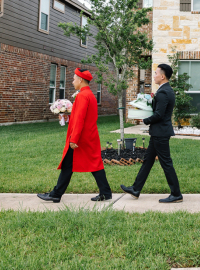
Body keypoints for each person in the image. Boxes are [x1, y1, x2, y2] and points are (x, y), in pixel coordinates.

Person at [38, 68, 112, 203]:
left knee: (74, 164)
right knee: (92, 164)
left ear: (81, 79)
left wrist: (74, 138)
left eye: (73, 79)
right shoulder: (89, 95)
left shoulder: (83, 96)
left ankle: (56, 194)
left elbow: (80, 119)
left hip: (81, 138)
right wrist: (68, 118)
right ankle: (105, 192)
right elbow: (81, 116)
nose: (72, 81)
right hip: (89, 135)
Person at [121, 63, 182, 203]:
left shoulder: (164, 92)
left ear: (162, 76)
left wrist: (145, 120)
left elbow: (159, 114)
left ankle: (176, 194)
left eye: (155, 73)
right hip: (158, 133)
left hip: (160, 133)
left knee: (166, 163)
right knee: (147, 161)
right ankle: (136, 189)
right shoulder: (165, 90)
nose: (154, 75)